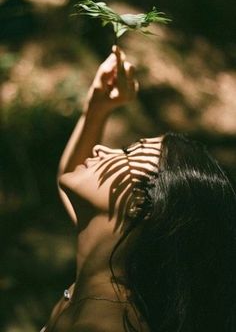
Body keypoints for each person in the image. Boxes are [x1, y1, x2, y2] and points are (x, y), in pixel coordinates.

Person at [42, 46, 236, 332]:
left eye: (125, 153)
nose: (100, 148)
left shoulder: (103, 325)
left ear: (140, 204)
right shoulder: (108, 267)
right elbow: (70, 175)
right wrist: (97, 109)